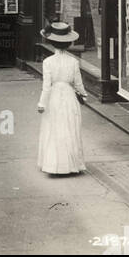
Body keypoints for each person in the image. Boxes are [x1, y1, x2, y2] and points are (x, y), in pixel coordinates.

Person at [37, 21, 87, 175]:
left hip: (54, 96)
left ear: (52, 43)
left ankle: (54, 165)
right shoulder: (73, 62)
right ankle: (72, 165)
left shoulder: (48, 62)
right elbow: (78, 83)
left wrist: (42, 103)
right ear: (68, 43)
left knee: (54, 128)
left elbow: (46, 86)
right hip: (69, 96)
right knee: (70, 127)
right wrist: (83, 95)